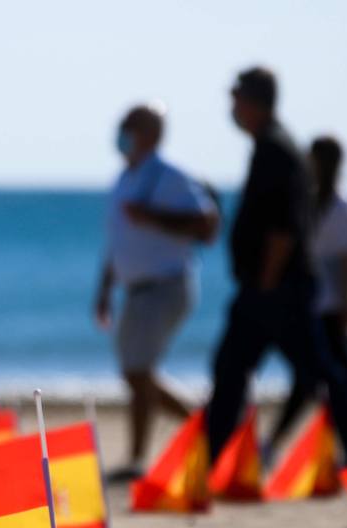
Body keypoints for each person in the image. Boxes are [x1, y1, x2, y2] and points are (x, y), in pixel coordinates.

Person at [204, 67, 347, 468]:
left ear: (255, 102)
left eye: (237, 99)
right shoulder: (271, 146)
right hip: (274, 287)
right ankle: (217, 456)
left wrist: (266, 280)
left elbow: (284, 226)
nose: (232, 108)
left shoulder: (276, 150)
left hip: (278, 287)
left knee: (316, 370)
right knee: (236, 367)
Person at [94, 104, 219, 481]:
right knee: (135, 374)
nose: (121, 131)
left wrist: (152, 217)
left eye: (129, 125)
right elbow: (118, 242)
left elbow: (208, 225)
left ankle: (195, 431)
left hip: (166, 285)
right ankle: (202, 425)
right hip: (135, 289)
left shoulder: (170, 175)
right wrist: (104, 290)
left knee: (139, 372)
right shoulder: (125, 177)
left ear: (150, 133)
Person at [267, 135, 347, 463]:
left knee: (337, 379)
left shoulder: (343, 204)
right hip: (309, 301)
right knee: (318, 379)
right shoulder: (308, 198)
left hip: (331, 304)